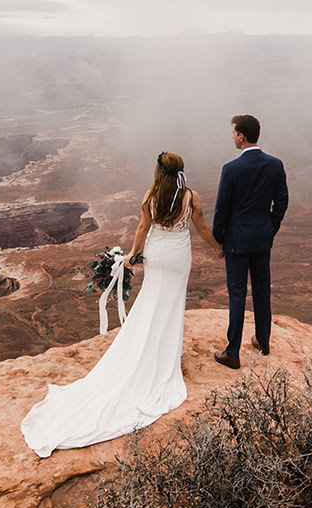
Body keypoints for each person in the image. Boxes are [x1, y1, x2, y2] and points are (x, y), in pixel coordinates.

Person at [21, 151, 222, 457]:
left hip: (156, 255)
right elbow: (202, 229)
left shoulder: (152, 196)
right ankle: (164, 358)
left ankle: (146, 350)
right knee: (171, 305)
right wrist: (218, 248)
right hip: (179, 258)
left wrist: (132, 254)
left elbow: (143, 229)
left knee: (151, 302)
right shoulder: (191, 197)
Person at [211, 114, 288, 369]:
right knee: (262, 290)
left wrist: (218, 240)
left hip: (236, 242)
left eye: (233, 133)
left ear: (241, 136)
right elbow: (282, 202)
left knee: (237, 295)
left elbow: (222, 209)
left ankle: (232, 352)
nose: (232, 137)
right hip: (261, 239)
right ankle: (263, 341)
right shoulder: (275, 165)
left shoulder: (231, 169)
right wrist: (270, 228)